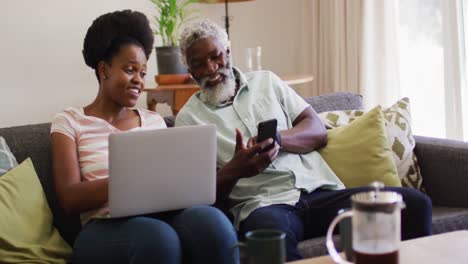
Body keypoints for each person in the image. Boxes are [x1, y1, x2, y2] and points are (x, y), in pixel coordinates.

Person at [175, 19, 432, 261]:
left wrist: (278, 138)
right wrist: (235, 170)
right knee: (270, 239)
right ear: (189, 71)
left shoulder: (267, 82)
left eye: (215, 56)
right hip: (265, 206)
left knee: (414, 204)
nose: (211, 68)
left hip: (322, 191)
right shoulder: (189, 119)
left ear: (228, 52)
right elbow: (197, 193)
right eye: (198, 63)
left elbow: (316, 130)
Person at [50, 11, 239, 264]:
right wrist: (130, 181)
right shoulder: (69, 121)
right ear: (104, 70)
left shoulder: (154, 120)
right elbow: (70, 198)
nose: (138, 80)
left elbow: (170, 182)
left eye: (142, 72)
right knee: (158, 238)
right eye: (130, 70)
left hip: (162, 215)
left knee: (212, 222)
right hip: (103, 227)